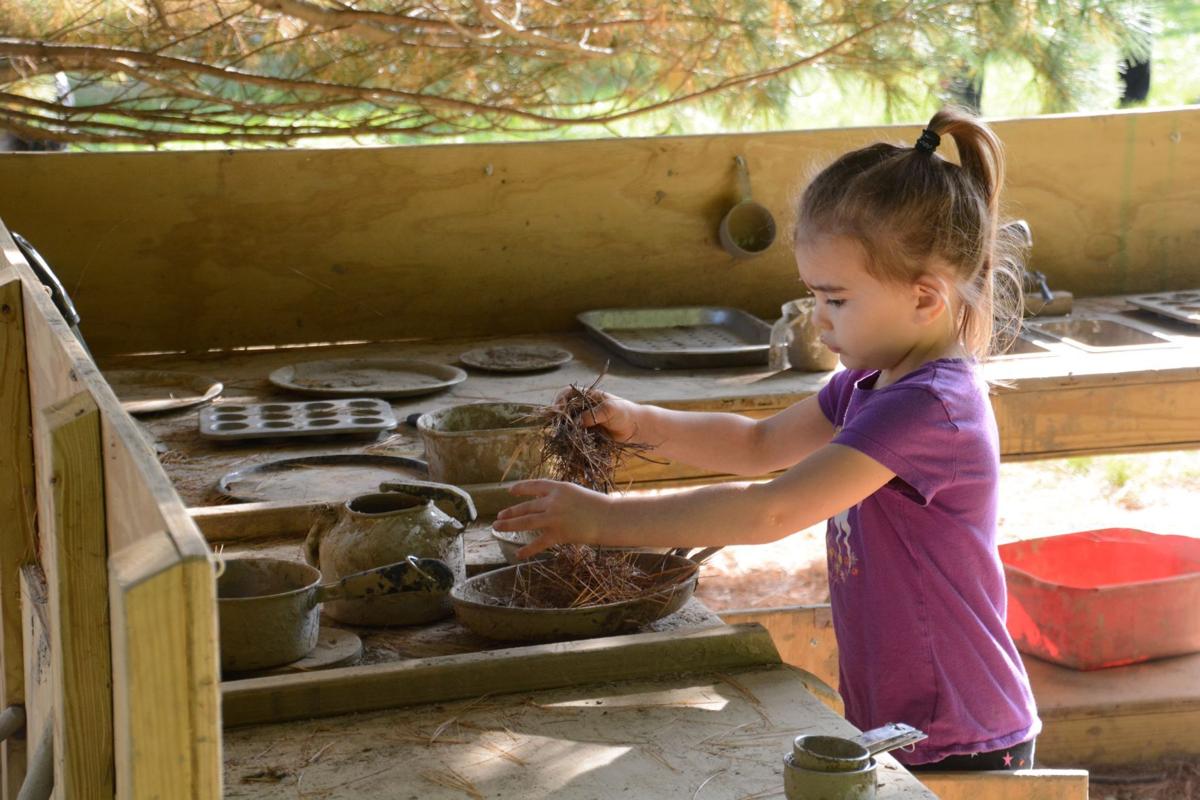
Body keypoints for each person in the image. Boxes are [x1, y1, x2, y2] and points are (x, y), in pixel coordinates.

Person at [493, 107, 1041, 770]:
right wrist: (644, 423)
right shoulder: (873, 385)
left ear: (926, 298)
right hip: (904, 716)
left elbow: (769, 509)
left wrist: (604, 519)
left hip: (959, 730)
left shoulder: (930, 411)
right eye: (813, 295)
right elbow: (758, 444)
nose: (820, 319)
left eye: (836, 300)